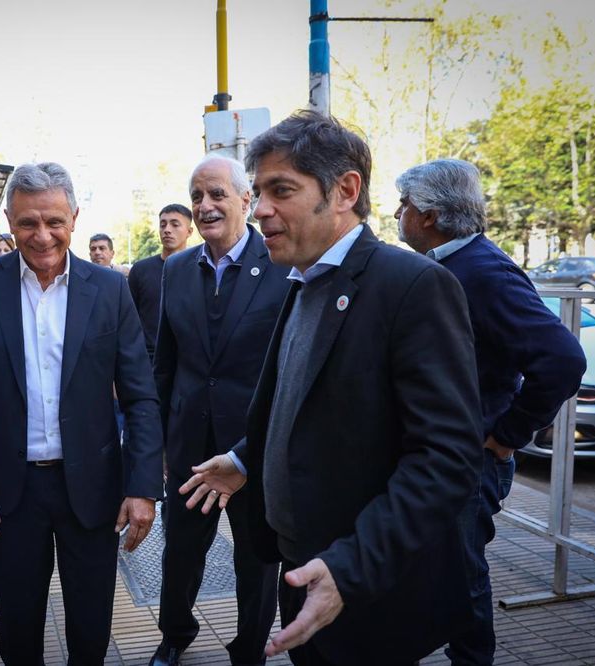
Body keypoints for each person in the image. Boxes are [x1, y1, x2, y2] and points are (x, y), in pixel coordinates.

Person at [181, 111, 484, 665]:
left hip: (365, 587)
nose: (262, 209)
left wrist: (349, 568)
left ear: (345, 191)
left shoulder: (413, 287)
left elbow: (447, 459)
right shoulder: (302, 280)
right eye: (259, 191)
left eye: (281, 191)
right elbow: (303, 406)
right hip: (303, 571)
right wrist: (246, 459)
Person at [0, 162, 163, 665]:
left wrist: (143, 485)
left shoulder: (108, 289)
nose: (41, 236)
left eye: (54, 222)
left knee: (91, 626)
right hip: (7, 492)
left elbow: (140, 395)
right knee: (16, 626)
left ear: (75, 218)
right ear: (9, 218)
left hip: (93, 488)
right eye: (27, 223)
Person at [394, 158, 586, 666]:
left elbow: (563, 359)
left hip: (471, 465)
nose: (398, 213)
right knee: (436, 574)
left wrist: (507, 434)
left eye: (406, 205)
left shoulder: (484, 271)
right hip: (442, 456)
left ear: (430, 215)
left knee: (463, 580)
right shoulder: (447, 266)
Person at [149, 156, 288, 666]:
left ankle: (249, 648)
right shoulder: (178, 268)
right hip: (189, 444)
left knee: (256, 558)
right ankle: (175, 635)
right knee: (180, 552)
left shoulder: (280, 262)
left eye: (217, 195)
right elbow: (165, 362)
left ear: (246, 200)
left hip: (254, 446)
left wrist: (255, 449)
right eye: (197, 197)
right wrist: (160, 440)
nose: (205, 206)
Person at [127, 203, 193, 360]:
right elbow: (128, 319)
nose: (167, 229)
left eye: (175, 224)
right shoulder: (140, 270)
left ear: (189, 231)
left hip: (188, 360)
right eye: (163, 224)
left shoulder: (200, 269)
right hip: (147, 359)